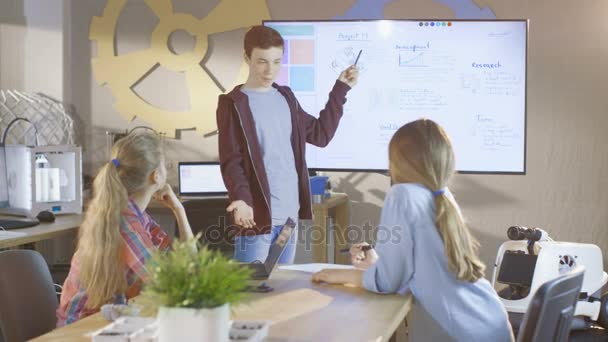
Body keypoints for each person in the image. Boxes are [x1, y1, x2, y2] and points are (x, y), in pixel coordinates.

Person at [312, 119, 513, 341]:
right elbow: (422, 271)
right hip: (489, 321)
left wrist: (346, 275)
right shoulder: (442, 195)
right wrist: (376, 265)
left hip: (455, 331)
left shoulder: (402, 195)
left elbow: (389, 282)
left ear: (397, 162)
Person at [216, 25, 358, 264]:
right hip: (256, 216)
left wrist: (340, 89)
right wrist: (240, 198)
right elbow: (232, 160)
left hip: (288, 218)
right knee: (250, 293)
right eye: (262, 61)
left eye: (276, 61)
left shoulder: (286, 97)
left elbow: (320, 135)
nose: (269, 71)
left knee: (282, 289)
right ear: (246, 58)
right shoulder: (233, 103)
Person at [56, 132, 193, 326]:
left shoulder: (133, 214)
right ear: (156, 176)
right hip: (84, 330)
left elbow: (187, 265)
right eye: (165, 164)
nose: (167, 168)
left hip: (103, 324)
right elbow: (173, 286)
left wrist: (179, 210)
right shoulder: (127, 224)